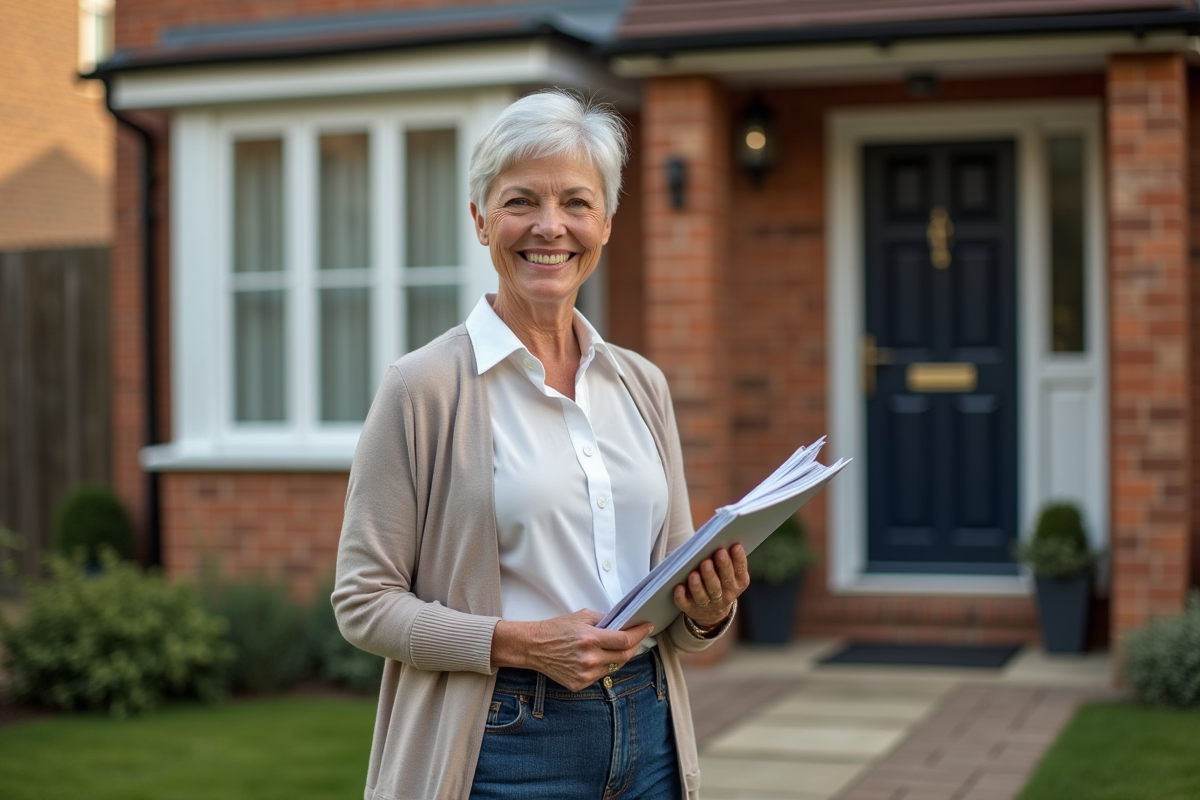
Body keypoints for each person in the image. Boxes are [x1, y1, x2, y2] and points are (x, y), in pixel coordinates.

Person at [333, 89, 750, 800]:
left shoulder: (642, 384)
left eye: (577, 204)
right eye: (522, 201)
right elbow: (363, 601)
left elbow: (674, 608)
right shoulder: (423, 387)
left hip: (650, 731)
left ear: (608, 222)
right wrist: (521, 643)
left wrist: (709, 611)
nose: (550, 227)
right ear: (480, 220)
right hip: (504, 744)